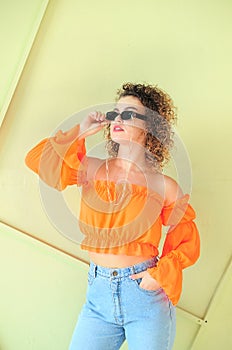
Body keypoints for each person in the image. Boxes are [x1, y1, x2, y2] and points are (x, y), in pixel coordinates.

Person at [25, 83, 200, 350]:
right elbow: (37, 160)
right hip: (98, 297)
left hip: (145, 299)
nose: (118, 119)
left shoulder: (164, 186)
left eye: (129, 114)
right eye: (116, 112)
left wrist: (159, 275)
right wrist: (80, 131)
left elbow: (186, 239)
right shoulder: (91, 168)